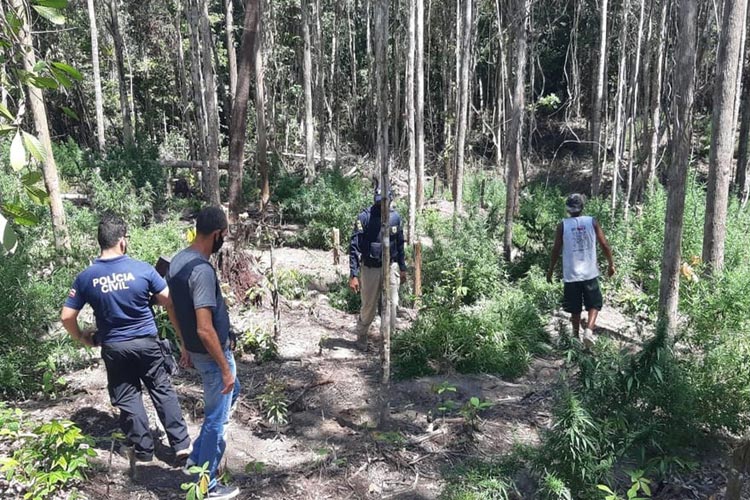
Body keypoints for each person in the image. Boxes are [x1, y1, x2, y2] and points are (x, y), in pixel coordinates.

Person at [60, 214, 191, 464]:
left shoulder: (86, 277)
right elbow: (169, 301)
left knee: (128, 396)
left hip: (114, 346)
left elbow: (67, 316)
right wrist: (182, 338)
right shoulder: (142, 269)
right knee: (162, 390)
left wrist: (82, 338)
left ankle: (143, 451)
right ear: (122, 241)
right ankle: (181, 444)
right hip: (146, 342)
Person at [167, 206, 240, 500]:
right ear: (216, 234)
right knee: (216, 420)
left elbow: (172, 306)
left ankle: (196, 459)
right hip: (211, 355)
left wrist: (183, 344)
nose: (224, 240)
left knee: (230, 397)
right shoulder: (201, 271)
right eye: (224, 235)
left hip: (198, 352)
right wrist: (224, 368)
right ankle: (205, 484)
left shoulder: (178, 260)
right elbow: (205, 329)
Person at [546, 193, 615, 347]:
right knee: (594, 304)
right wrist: (611, 264)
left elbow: (556, 249)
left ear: (568, 209)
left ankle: (576, 336)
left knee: (574, 307)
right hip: (589, 272)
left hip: (571, 274)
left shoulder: (563, 225)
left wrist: (550, 269)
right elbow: (604, 244)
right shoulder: (592, 222)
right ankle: (589, 330)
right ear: (581, 208)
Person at [348, 188, 408, 350]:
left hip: (391, 267)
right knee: (369, 305)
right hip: (370, 268)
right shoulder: (365, 217)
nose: (381, 204)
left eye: (384, 201)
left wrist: (402, 268)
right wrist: (353, 274)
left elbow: (400, 243)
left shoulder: (395, 218)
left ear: (390, 200)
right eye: (379, 201)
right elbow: (354, 246)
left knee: (392, 304)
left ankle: (387, 338)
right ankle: (361, 335)